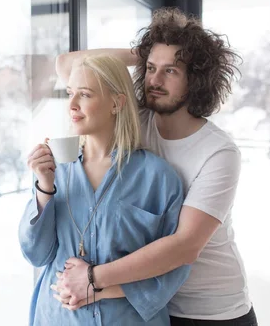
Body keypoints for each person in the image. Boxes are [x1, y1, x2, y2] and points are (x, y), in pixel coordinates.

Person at [53, 8, 258, 325]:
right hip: (146, 302)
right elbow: (68, 65)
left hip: (210, 310)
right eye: (150, 69)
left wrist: (93, 277)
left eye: (171, 71)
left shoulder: (218, 152)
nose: (155, 80)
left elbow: (185, 246)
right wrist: (149, 51)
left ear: (197, 80)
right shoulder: (138, 120)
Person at [19, 54, 190, 325]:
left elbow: (173, 268)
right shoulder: (55, 171)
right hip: (59, 317)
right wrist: (44, 188)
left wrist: (100, 289)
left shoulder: (158, 178)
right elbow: (35, 254)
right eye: (70, 93)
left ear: (116, 103)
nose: (72, 105)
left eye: (85, 94)